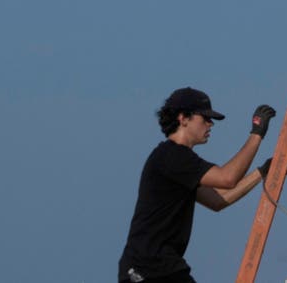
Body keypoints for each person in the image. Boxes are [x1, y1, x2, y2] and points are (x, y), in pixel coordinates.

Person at [118, 87, 278, 283]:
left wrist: (261, 172)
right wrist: (257, 133)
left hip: (165, 268)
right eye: (205, 118)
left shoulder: (178, 162)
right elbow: (227, 178)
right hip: (147, 269)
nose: (210, 124)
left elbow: (219, 200)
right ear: (183, 118)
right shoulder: (172, 156)